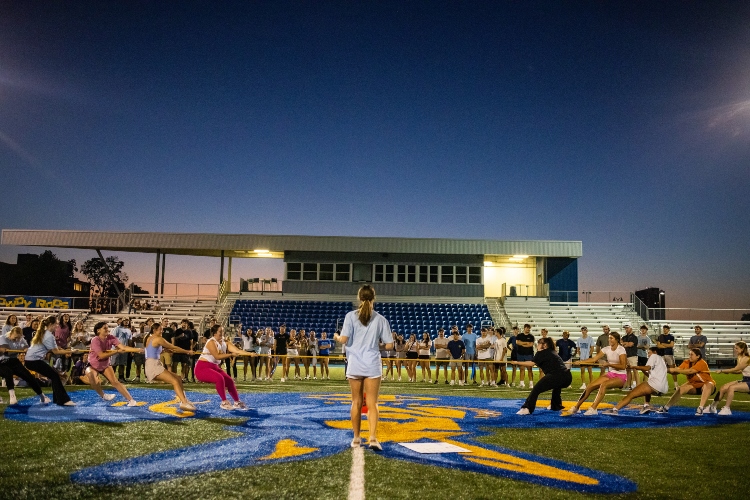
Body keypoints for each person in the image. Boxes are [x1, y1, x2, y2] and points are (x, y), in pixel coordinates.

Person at [333, 285, 393, 451]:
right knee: (372, 403)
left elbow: (344, 339)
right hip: (372, 364)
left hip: (355, 364)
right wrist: (375, 345)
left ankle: (357, 438)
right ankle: (372, 438)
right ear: (373, 298)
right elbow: (389, 345)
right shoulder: (381, 319)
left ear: (359, 298)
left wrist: (336, 336)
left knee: (356, 402)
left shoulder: (350, 316)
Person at [566, 331, 627, 416]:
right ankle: (576, 407)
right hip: (611, 373)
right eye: (609, 338)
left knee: (603, 385)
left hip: (621, 376)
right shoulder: (606, 349)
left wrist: (608, 364)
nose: (609, 340)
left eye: (611, 338)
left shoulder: (621, 349)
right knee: (590, 387)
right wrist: (580, 361)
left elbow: (623, 366)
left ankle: (593, 408)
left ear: (617, 340)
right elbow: (594, 359)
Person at [195, 324, 255, 410]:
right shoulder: (211, 342)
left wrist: (250, 354)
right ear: (215, 333)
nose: (223, 332)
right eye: (220, 331)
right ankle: (224, 402)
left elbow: (237, 351)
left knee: (229, 381)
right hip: (202, 368)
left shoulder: (225, 342)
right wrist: (230, 354)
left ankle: (237, 402)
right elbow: (217, 356)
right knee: (219, 378)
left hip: (214, 367)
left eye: (223, 331)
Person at [86, 322, 144, 405]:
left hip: (105, 365)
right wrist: (116, 351)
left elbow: (123, 347)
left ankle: (131, 400)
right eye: (104, 328)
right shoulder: (95, 340)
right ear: (98, 330)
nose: (107, 329)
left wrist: (137, 349)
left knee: (115, 382)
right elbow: (101, 355)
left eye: (107, 327)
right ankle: (103, 395)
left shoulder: (111, 337)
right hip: (92, 365)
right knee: (93, 380)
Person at [24, 316, 76, 406]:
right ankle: (63, 400)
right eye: (56, 323)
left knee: (54, 376)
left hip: (31, 360)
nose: (57, 325)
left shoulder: (44, 333)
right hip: (33, 360)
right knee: (55, 376)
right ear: (51, 324)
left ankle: (59, 399)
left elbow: (53, 348)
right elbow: (56, 351)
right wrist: (72, 351)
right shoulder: (49, 336)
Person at [143, 322, 196, 411]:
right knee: (175, 381)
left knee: (178, 378)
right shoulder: (158, 339)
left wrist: (163, 350)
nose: (162, 331)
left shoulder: (148, 337)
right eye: (160, 330)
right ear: (154, 330)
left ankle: (184, 400)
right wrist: (188, 351)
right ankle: (184, 403)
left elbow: (153, 350)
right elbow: (173, 347)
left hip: (153, 364)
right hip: (153, 365)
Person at [604, 347, 669, 415]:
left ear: (655, 352)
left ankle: (615, 410)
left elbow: (647, 367)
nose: (648, 355)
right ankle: (646, 405)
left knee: (631, 395)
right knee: (646, 386)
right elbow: (650, 375)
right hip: (663, 388)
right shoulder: (661, 360)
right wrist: (641, 369)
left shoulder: (654, 356)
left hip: (655, 385)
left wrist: (634, 367)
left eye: (649, 353)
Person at [514, 337, 572, 415]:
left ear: (544, 345)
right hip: (567, 377)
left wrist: (517, 362)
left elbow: (531, 364)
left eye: (539, 343)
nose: (537, 345)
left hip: (556, 375)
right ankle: (556, 405)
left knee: (536, 389)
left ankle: (527, 408)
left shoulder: (542, 352)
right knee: (557, 386)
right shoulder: (552, 351)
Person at [657, 348, 716, 416]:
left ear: (698, 356)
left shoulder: (702, 362)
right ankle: (666, 408)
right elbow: (676, 372)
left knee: (708, 385)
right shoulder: (686, 362)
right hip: (694, 384)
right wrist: (664, 369)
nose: (690, 356)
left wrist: (673, 369)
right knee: (680, 389)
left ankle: (700, 408)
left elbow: (689, 371)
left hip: (707, 384)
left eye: (692, 354)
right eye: (689, 354)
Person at [0, 327, 47, 405]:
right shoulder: (2, 338)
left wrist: (25, 349)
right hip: (2, 362)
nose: (17, 339)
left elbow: (25, 347)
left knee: (29, 377)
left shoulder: (21, 339)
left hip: (14, 361)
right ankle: (12, 396)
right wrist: (3, 350)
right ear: (11, 334)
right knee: (8, 373)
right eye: (15, 337)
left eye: (18, 338)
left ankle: (42, 395)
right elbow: (5, 351)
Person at [708, 341, 750, 415]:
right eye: (734, 348)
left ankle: (727, 409)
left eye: (736, 348)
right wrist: (728, 372)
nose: (735, 350)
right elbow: (739, 371)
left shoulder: (747, 358)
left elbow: (736, 369)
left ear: (742, 349)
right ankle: (712, 407)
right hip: (745, 379)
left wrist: (722, 371)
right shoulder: (740, 357)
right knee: (723, 388)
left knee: (731, 388)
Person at [656, 324, 678, 390]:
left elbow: (671, 345)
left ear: (668, 330)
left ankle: (676, 385)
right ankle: (662, 384)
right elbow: (658, 346)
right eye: (664, 329)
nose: (665, 330)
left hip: (669, 354)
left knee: (673, 370)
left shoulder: (671, 337)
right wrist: (666, 345)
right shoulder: (660, 336)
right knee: (661, 370)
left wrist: (663, 344)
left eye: (666, 329)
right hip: (662, 354)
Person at [111, 318, 132, 383]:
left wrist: (130, 349)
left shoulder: (128, 330)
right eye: (125, 320)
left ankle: (121, 377)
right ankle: (111, 378)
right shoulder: (117, 329)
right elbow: (113, 338)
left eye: (127, 321)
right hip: (116, 349)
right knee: (114, 364)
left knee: (122, 364)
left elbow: (129, 340)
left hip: (124, 349)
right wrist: (116, 347)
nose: (126, 322)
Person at [515, 324, 535, 388]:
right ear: (524, 328)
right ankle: (521, 383)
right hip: (520, 354)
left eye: (529, 328)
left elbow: (530, 345)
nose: (528, 329)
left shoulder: (531, 336)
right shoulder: (519, 335)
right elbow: (518, 342)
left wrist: (522, 343)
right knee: (521, 368)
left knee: (529, 369)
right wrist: (526, 343)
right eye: (527, 328)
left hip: (529, 354)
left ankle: (531, 383)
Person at [621, 323, 639, 390]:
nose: (626, 329)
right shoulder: (624, 337)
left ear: (631, 328)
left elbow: (630, 344)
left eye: (627, 328)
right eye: (625, 328)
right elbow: (621, 344)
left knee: (635, 370)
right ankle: (628, 386)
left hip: (632, 355)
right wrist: (626, 344)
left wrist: (625, 344)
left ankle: (638, 385)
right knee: (628, 371)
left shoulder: (634, 337)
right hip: (626, 355)